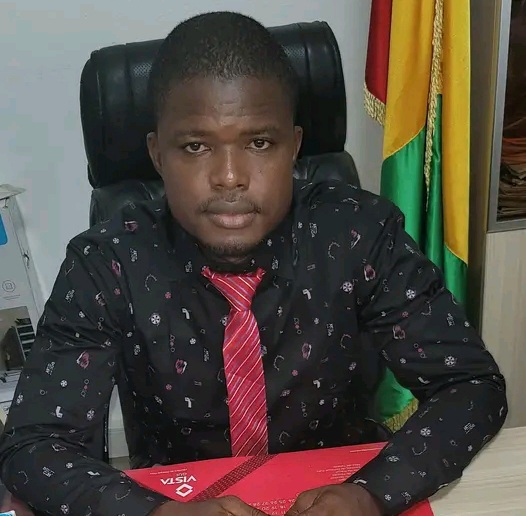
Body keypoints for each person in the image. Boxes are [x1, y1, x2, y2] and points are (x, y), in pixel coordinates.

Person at [0, 11, 507, 516]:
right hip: (179, 499)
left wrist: (373, 493)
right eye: (196, 146)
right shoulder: (106, 263)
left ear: (295, 147)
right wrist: (156, 514)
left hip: (338, 489)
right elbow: (34, 446)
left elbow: (470, 386)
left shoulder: (359, 233)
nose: (229, 177)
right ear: (157, 155)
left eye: (259, 143)